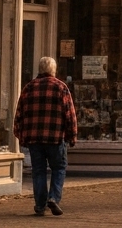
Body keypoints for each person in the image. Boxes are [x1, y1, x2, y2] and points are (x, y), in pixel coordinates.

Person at [14, 56, 77, 217]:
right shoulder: (61, 87)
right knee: (59, 168)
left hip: (35, 139)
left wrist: (21, 135)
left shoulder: (29, 88)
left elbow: (19, 114)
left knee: (39, 171)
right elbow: (70, 114)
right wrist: (72, 136)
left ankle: (40, 205)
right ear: (53, 70)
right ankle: (54, 198)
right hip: (56, 138)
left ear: (40, 70)